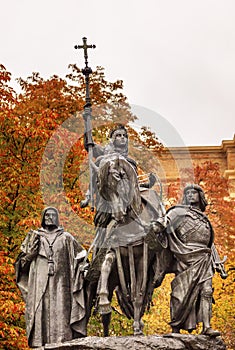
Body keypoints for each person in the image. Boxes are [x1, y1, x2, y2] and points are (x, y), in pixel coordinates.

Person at [151, 184, 221, 336]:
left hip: (204, 258)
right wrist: (156, 226)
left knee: (207, 291)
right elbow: (165, 222)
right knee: (180, 293)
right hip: (184, 256)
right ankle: (175, 328)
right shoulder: (178, 212)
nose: (190, 195)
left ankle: (207, 327)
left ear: (200, 197)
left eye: (194, 193)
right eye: (187, 193)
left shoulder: (204, 219)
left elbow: (210, 243)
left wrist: (217, 261)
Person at [15, 207, 88, 348]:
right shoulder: (34, 237)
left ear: (58, 218)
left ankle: (62, 344)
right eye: (47, 215)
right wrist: (30, 255)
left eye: (53, 215)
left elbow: (80, 257)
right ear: (42, 218)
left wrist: (84, 267)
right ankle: (39, 343)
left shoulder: (66, 238)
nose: (50, 217)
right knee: (40, 310)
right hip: (39, 282)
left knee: (62, 310)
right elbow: (21, 265)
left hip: (62, 283)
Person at [80, 124, 156, 208]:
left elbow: (135, 185)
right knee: (100, 161)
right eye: (118, 135)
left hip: (126, 196)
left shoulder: (131, 163)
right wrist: (86, 122)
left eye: (124, 135)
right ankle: (88, 196)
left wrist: (149, 184)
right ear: (113, 139)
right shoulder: (104, 153)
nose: (122, 137)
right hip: (106, 197)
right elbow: (89, 143)